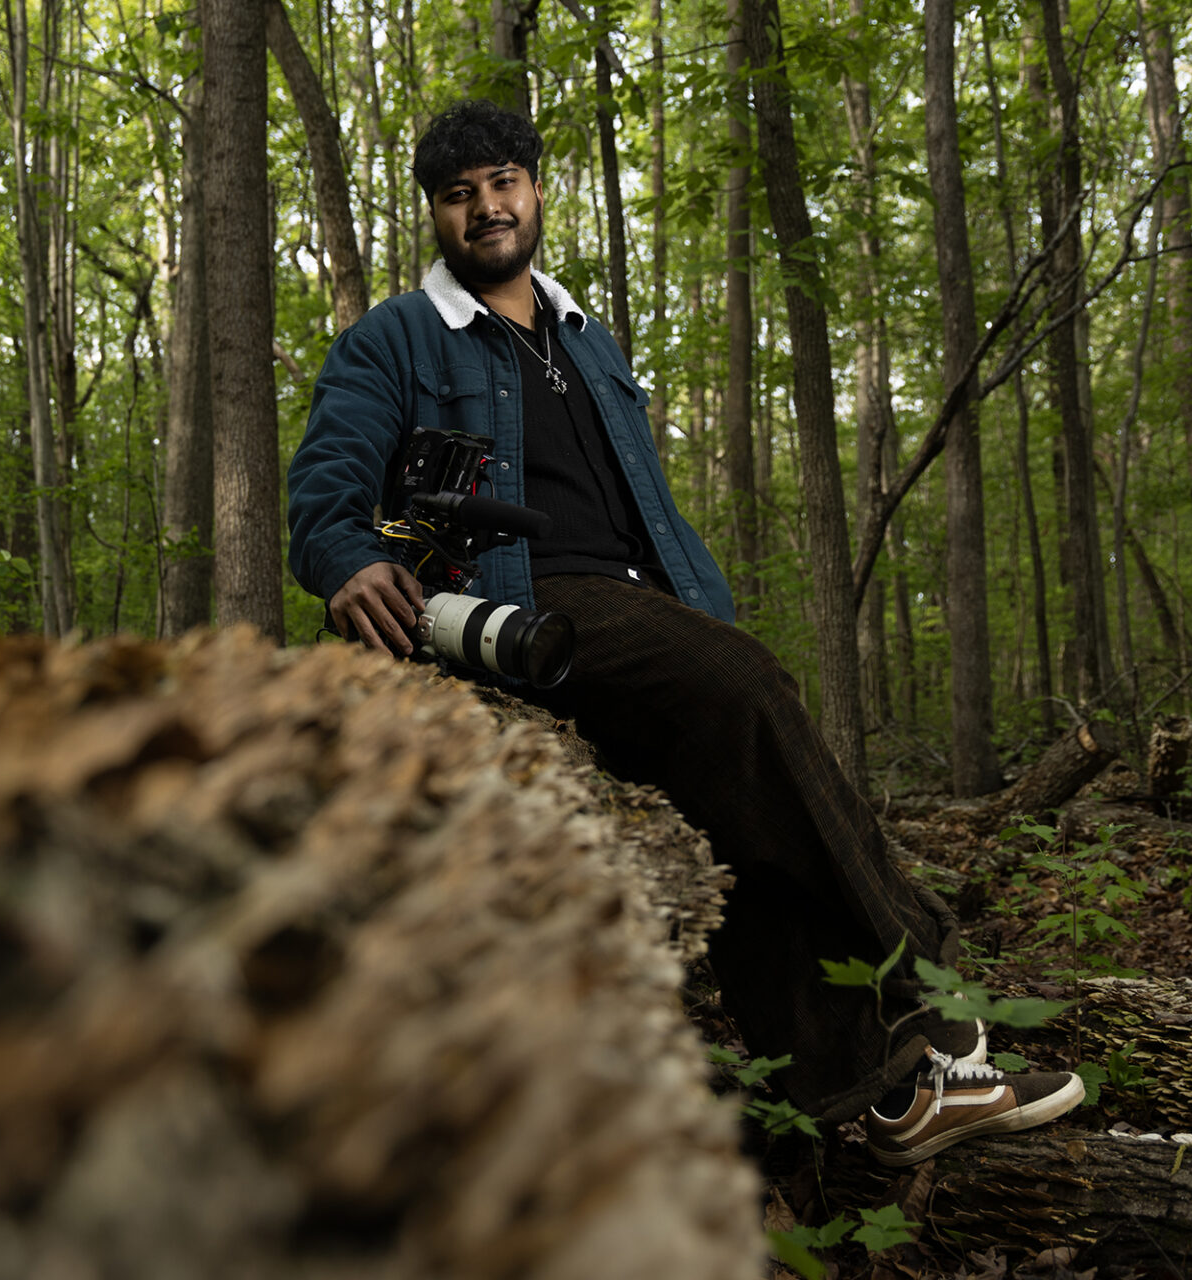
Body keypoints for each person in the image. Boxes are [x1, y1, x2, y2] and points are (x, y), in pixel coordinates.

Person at [286, 99, 1084, 1165]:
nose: (486, 208)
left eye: (502, 183)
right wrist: (351, 565)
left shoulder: (587, 337)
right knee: (750, 692)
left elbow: (646, 506)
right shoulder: (395, 337)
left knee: (737, 807)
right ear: (435, 214)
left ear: (535, 187)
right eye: (458, 194)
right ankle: (935, 985)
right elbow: (323, 491)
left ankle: (877, 1098)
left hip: (647, 601)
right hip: (526, 600)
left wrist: (701, 611)